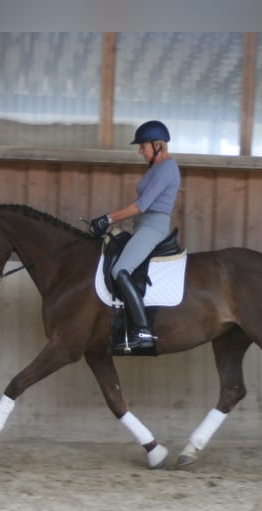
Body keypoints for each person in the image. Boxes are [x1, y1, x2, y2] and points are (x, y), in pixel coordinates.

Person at [89, 120, 181, 352]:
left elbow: (140, 206)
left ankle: (143, 330)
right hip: (141, 226)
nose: (140, 151)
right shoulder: (156, 168)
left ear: (157, 145)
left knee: (120, 270)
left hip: (152, 227)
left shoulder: (167, 168)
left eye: (143, 146)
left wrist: (107, 218)